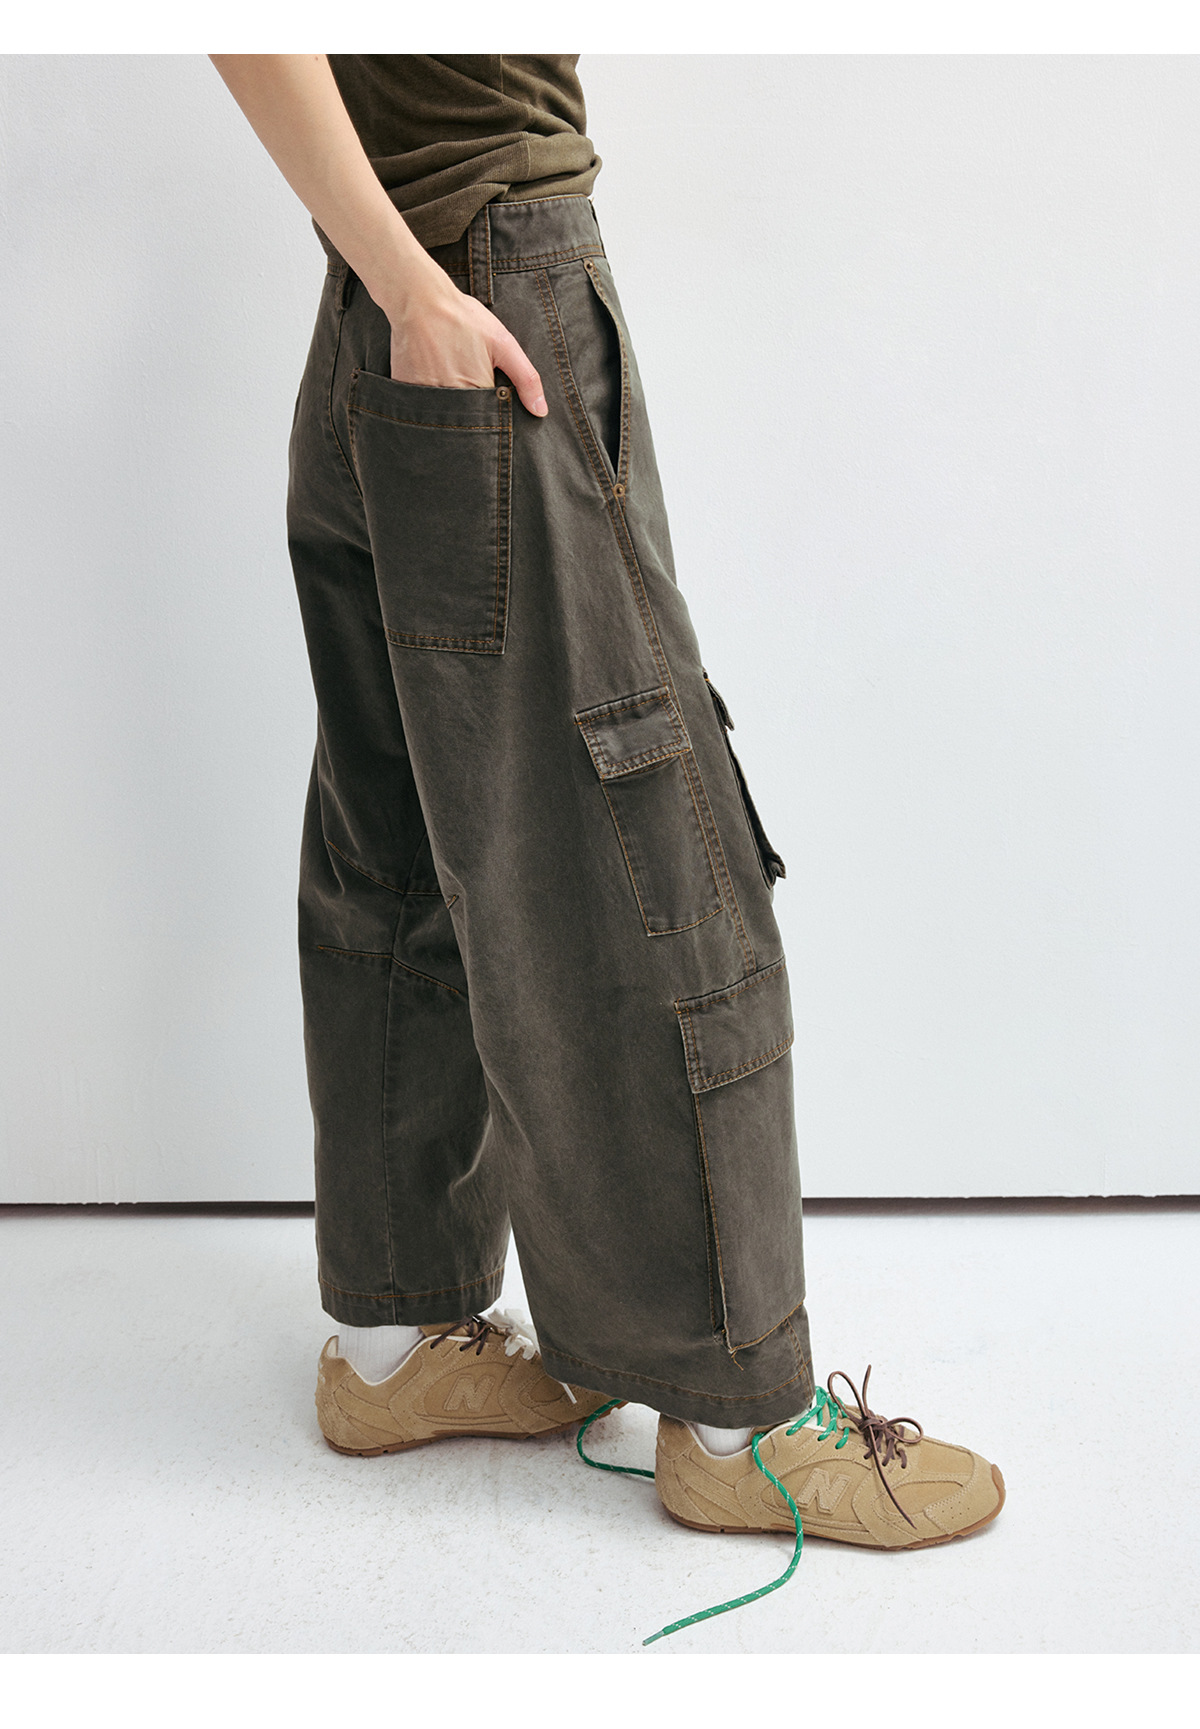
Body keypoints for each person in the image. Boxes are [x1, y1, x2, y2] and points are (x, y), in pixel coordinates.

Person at [209, 53, 1005, 1638]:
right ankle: (736, 1419)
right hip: (483, 277)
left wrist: (387, 277)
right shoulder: (460, 266)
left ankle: (394, 1347)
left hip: (384, 293)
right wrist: (420, 288)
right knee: (652, 844)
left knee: (399, 835)